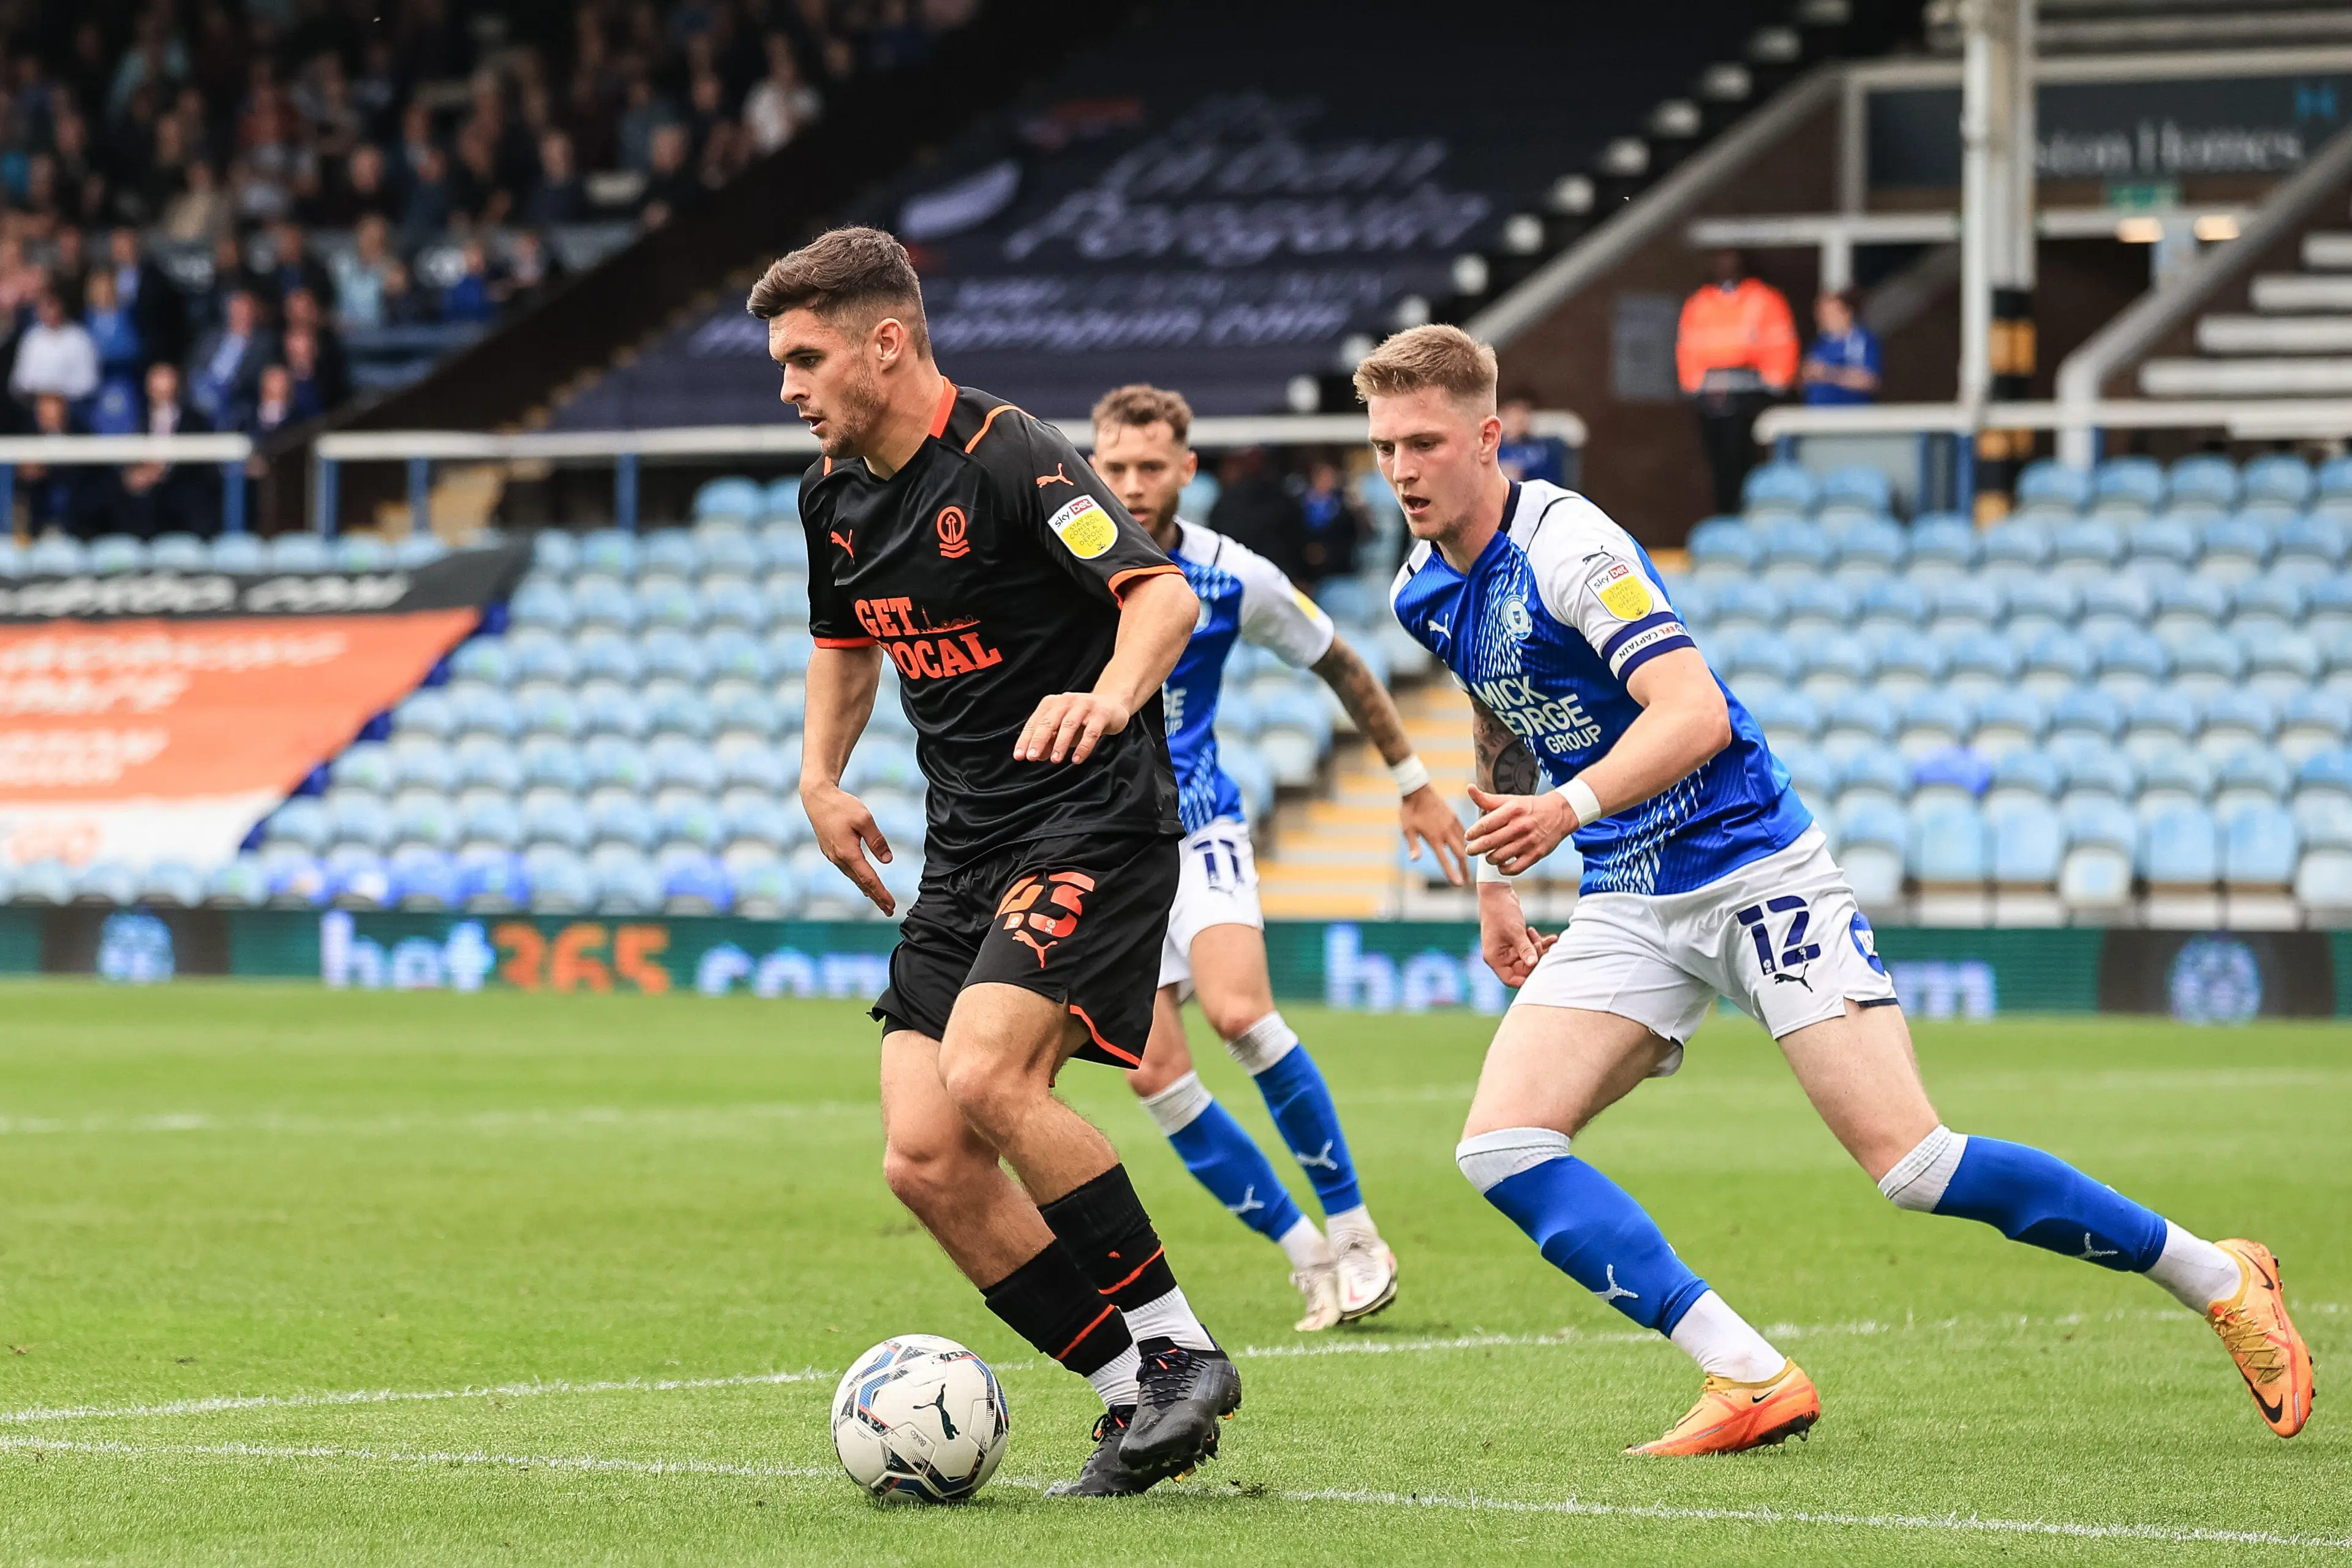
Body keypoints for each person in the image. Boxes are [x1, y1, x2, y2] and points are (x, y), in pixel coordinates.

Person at [1362, 322, 2313, 1455]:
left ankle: (2218, 1275)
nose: (1401, 470)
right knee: (1503, 1146)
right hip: (1630, 891)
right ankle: (1747, 1375)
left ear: (1487, 436)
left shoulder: (1571, 544)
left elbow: (1694, 712)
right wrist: (1492, 887)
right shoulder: (1422, 590)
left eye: (1423, 443)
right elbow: (1496, 691)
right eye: (1383, 448)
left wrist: (1564, 810)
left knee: (1915, 1165)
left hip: (1754, 871)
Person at [766, 227, 1240, 1497]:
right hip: (966, 843)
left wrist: (1107, 695)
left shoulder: (1012, 454)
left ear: (888, 338)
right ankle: (1130, 1395)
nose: (789, 386)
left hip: (1094, 816)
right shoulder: (833, 495)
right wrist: (820, 777)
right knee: (922, 1153)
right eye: (780, 362)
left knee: (985, 1070)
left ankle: (1183, 1350)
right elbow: (844, 641)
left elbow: (1161, 598)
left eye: (806, 357)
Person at [1090, 383, 1464, 1331]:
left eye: (1150, 467)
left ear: (1188, 470)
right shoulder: (1059, 566)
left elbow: (1340, 659)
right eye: (1116, 466)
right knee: (1153, 1077)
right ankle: (1311, 1259)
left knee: (1242, 1014)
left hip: (1201, 823)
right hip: (1097, 844)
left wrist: (1415, 780)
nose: (1132, 485)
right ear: (1093, 467)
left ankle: (1357, 1231)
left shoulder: (1229, 575)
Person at [1676, 249, 1796, 516]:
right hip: (1711, 396)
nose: (1725, 268)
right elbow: (1688, 347)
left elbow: (1780, 343)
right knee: (1720, 464)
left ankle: (1748, 515)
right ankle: (1727, 516)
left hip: (1752, 393)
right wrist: (1695, 385)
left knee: (1749, 462)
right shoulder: (1700, 303)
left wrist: (1776, 381)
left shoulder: (1763, 299)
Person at [10, 289, 102, 407]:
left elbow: (90, 382)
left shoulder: (80, 339)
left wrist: (58, 394)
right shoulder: (32, 338)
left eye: (51, 306)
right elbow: (20, 381)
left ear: (62, 306)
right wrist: (44, 394)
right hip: (36, 407)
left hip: (74, 408)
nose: (46, 312)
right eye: (42, 307)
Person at [1802, 288, 1881, 406]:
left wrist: (1827, 373)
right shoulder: (1819, 344)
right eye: (1820, 314)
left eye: (1829, 313)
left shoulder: (1861, 341)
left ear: (1847, 313)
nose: (1823, 319)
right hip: (1818, 416)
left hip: (1849, 417)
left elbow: (1869, 381)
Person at [1295, 459, 1366, 587]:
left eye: (1329, 477)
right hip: (1307, 572)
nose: (1327, 481)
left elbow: (1350, 538)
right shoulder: (1301, 504)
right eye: (1323, 476)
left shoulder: (1343, 508)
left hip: (1337, 571)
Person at [1496, 397, 1569, 485]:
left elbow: (1550, 479)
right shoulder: (1494, 448)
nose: (1516, 426)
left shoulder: (1540, 449)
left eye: (1521, 421)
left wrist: (1524, 473)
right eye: (1513, 420)